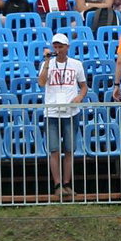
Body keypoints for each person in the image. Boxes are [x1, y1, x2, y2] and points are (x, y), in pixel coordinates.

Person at [39, 35, 86, 198]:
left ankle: (67, 183)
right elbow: (41, 82)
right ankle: (57, 184)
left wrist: (80, 97)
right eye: (56, 47)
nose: (58, 50)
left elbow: (83, 86)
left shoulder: (76, 64)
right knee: (54, 149)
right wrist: (46, 62)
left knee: (69, 150)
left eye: (61, 47)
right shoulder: (47, 64)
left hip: (70, 111)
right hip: (52, 112)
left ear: (67, 47)